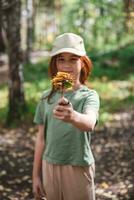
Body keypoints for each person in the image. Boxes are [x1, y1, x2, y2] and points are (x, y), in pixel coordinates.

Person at [32, 33, 100, 200]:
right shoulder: (46, 97)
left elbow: (90, 122)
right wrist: (36, 176)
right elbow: (41, 138)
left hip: (77, 166)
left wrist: (73, 116)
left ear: (82, 62)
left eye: (73, 59)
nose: (66, 65)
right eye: (61, 59)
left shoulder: (88, 96)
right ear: (54, 63)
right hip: (50, 166)